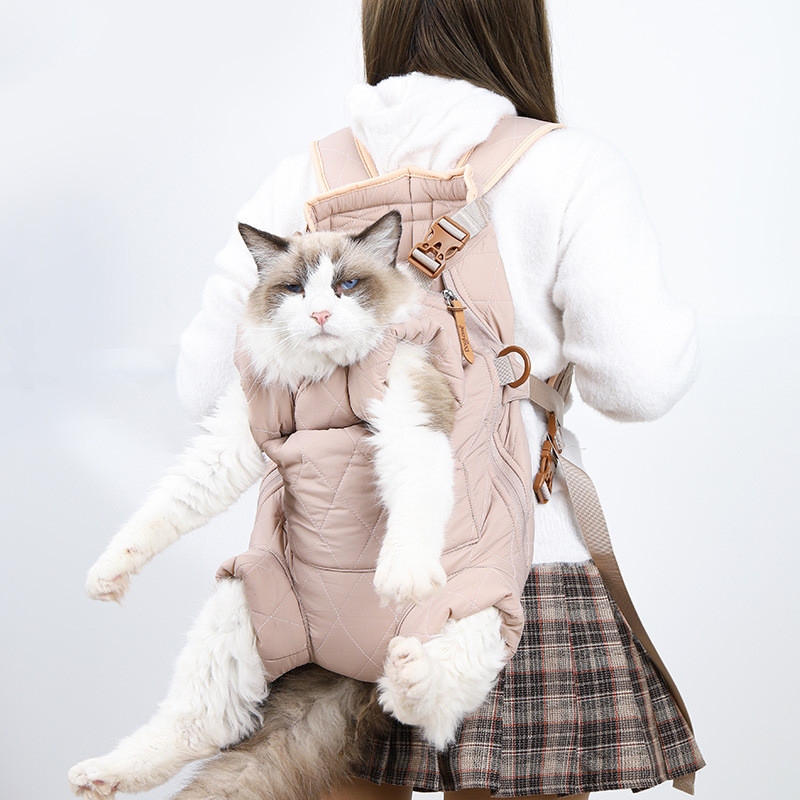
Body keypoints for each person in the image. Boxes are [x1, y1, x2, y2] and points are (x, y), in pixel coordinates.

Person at [176, 1, 706, 798]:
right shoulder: (570, 166)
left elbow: (204, 386)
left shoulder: (304, 178)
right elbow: (640, 383)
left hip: (333, 580)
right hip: (518, 569)